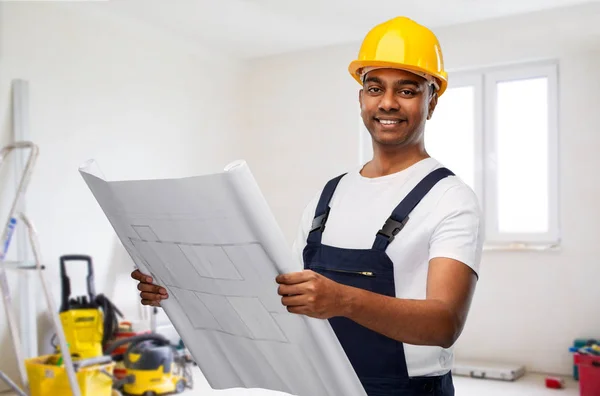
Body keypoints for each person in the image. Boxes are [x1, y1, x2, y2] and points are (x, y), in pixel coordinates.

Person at [131, 16, 483, 396]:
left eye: (408, 90)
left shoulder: (449, 197)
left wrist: (343, 300)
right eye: (374, 87)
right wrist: (178, 291)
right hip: (319, 384)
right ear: (360, 98)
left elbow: (444, 324)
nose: (387, 102)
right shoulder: (329, 195)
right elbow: (287, 302)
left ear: (432, 101)